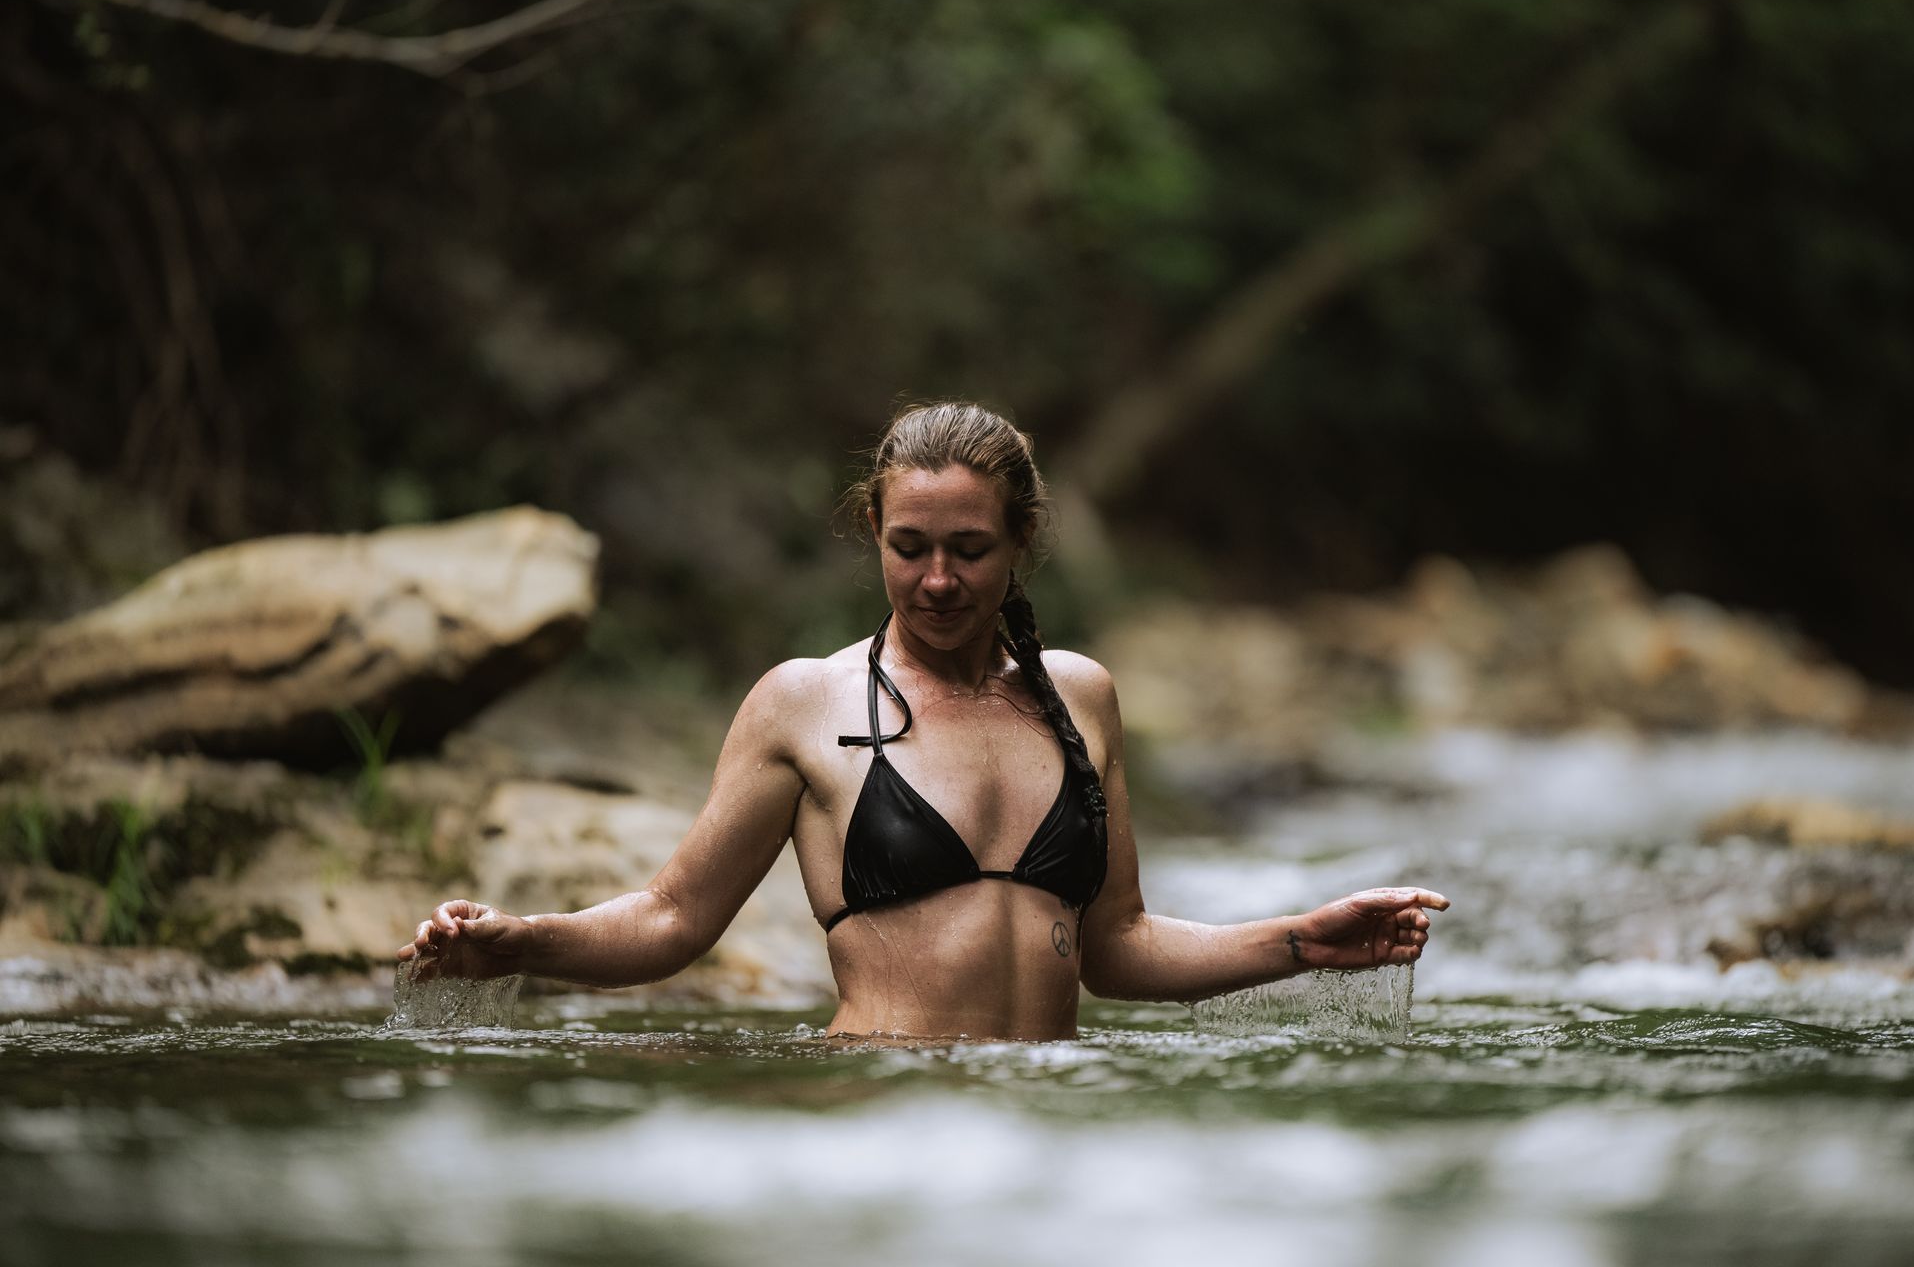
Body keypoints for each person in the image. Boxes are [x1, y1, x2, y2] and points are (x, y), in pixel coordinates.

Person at [399, 402, 1448, 1040]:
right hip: (882, 1115)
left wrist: (1307, 938)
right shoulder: (802, 701)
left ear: (1022, 540)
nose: (938, 579)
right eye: (909, 546)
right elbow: (675, 917)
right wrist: (520, 941)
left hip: (1050, 1117)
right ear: (873, 531)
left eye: (970, 549)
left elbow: (1118, 947)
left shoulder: (1079, 696)